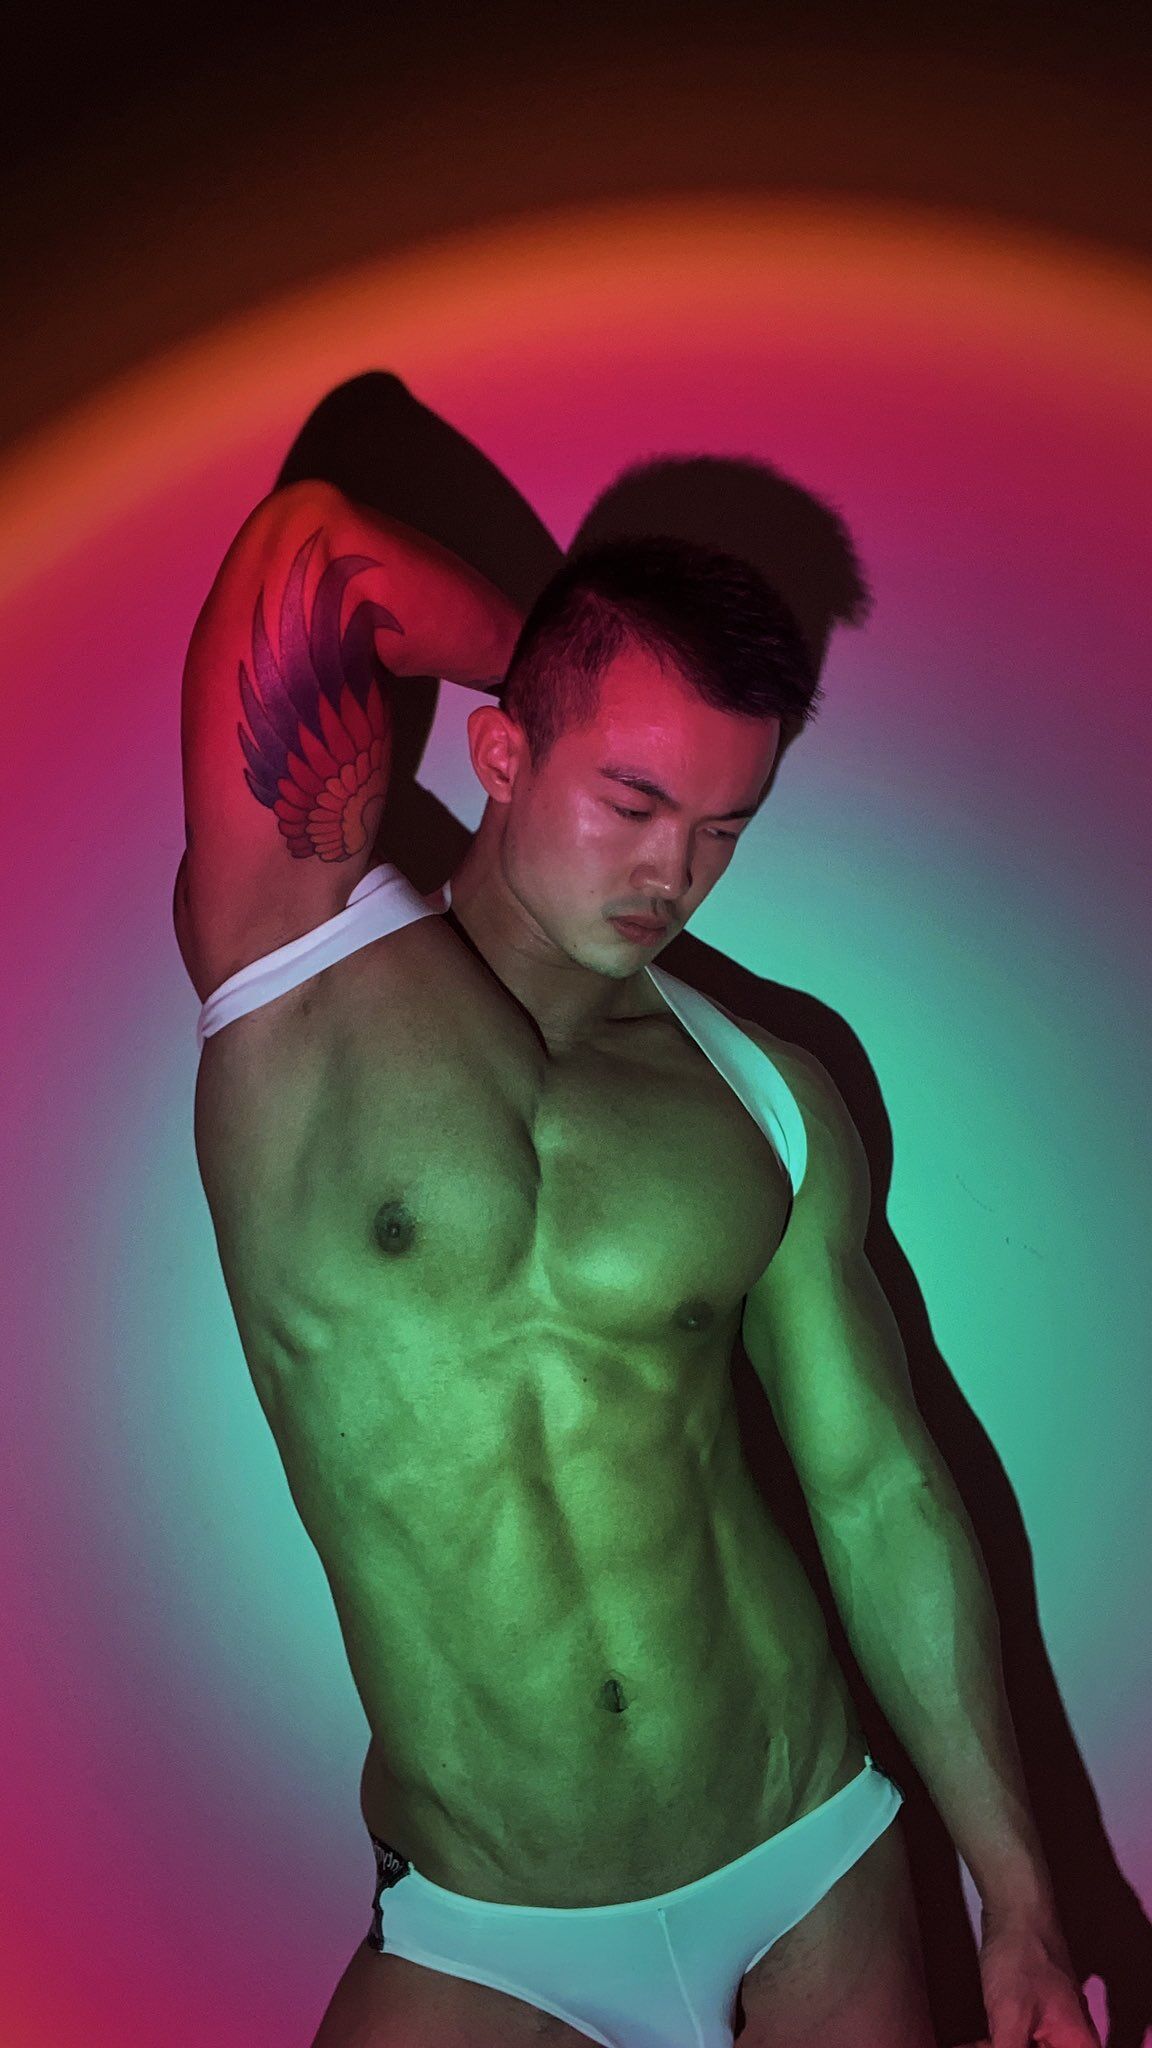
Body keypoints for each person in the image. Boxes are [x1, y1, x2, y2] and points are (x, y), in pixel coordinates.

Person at [175, 477, 1097, 2048]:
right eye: (635, 799)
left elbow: (877, 1490)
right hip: (487, 1926)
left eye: (724, 826)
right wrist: (556, 654)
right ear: (502, 753)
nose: (674, 871)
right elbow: (313, 545)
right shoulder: (299, 978)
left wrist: (1017, 1895)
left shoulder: (765, 1096)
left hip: (811, 1853)